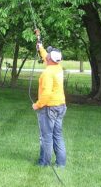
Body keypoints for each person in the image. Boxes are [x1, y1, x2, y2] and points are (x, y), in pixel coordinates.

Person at [32, 29, 67, 167]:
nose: (46, 56)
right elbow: (46, 55)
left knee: (46, 136)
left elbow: (46, 95)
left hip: (49, 108)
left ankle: (44, 163)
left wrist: (37, 105)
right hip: (61, 106)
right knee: (57, 135)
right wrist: (39, 43)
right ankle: (61, 164)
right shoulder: (58, 67)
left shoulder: (47, 73)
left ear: (50, 60)